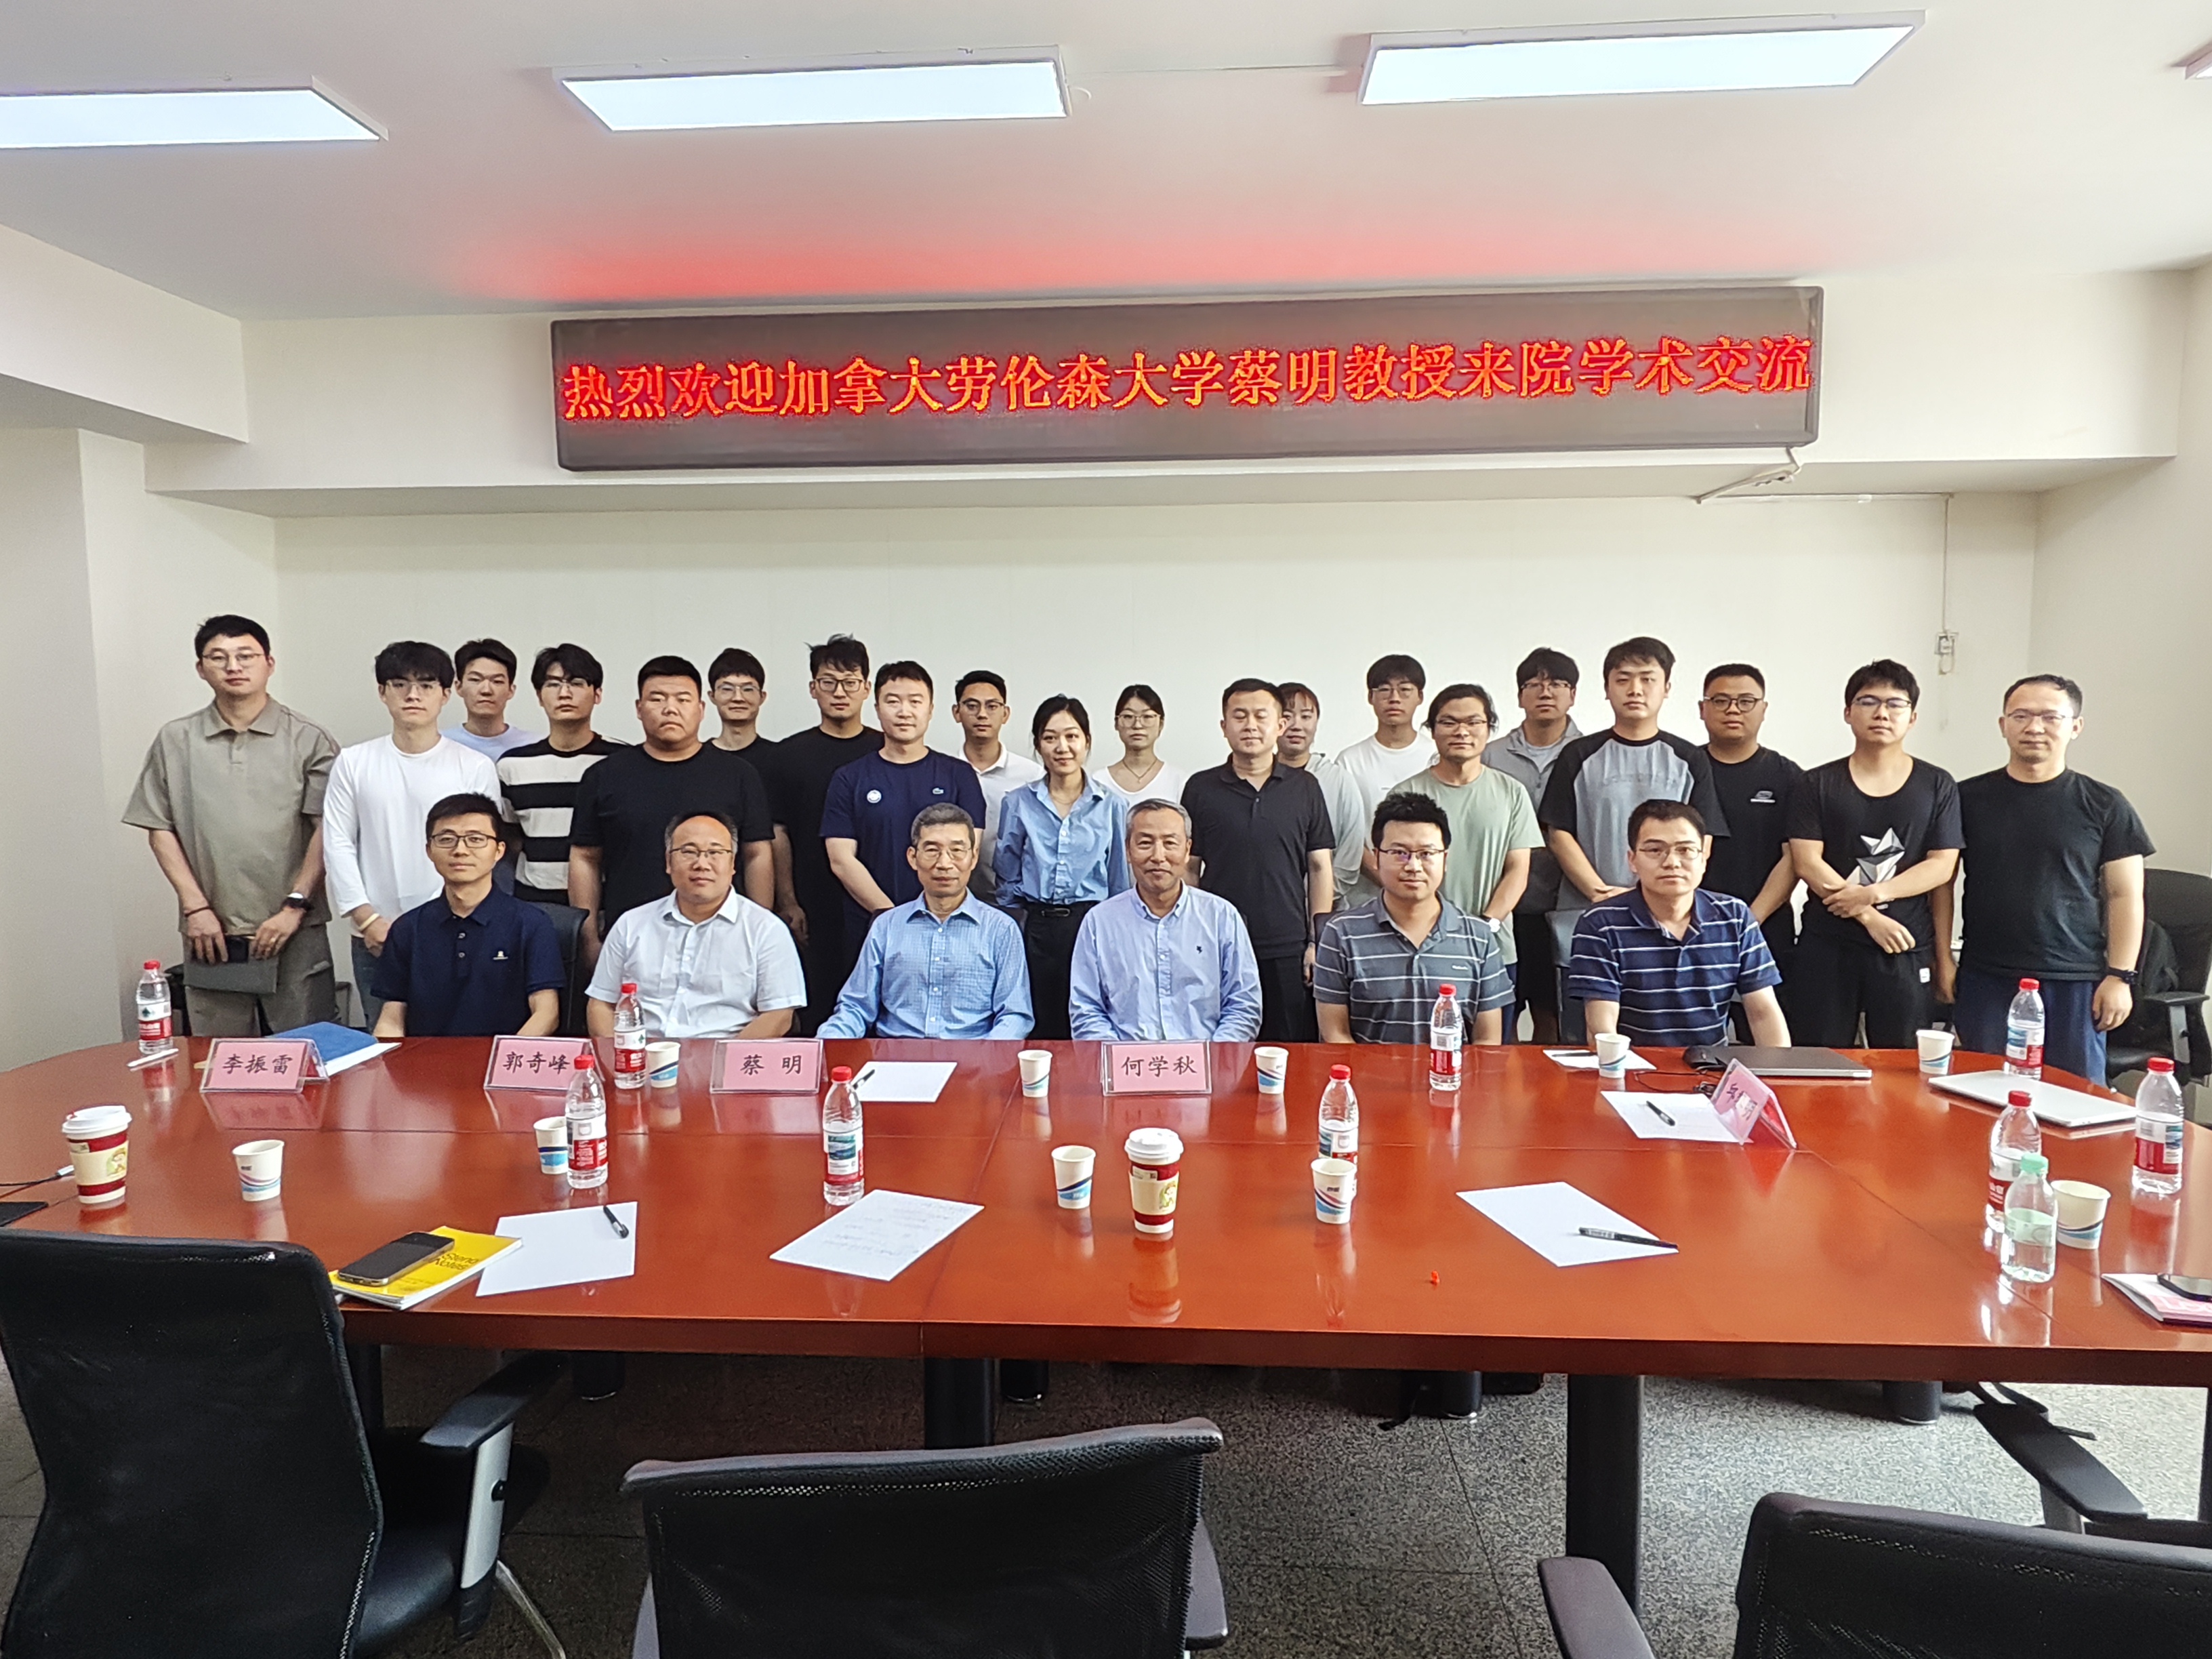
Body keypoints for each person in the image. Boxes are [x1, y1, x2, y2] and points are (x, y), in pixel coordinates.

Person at [124, 614, 341, 1034]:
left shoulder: (309, 738)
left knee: (307, 1048)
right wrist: (196, 908)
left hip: (294, 925)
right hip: (212, 930)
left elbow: (327, 829)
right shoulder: (176, 739)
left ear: (269, 664)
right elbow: (159, 828)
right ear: (201, 668)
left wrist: (295, 906)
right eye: (218, 657)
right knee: (218, 1054)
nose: (233, 667)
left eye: (246, 656)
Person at [1937, 674, 2152, 1082]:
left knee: (2076, 1100)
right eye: (2021, 716)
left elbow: (2125, 894)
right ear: (2003, 725)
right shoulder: (1965, 799)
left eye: (2050, 717)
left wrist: (2120, 976)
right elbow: (1941, 883)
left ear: (2076, 726)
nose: (2034, 727)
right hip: (1986, 976)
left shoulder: (2105, 804)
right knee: (1981, 1097)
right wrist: (1943, 959)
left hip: (2074, 980)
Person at [323, 641, 501, 1029]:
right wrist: (367, 919)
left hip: (456, 929)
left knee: (458, 1040)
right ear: (382, 692)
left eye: (426, 685)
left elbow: (481, 851)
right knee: (385, 1041)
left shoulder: (474, 766)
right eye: (400, 684)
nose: (413, 695)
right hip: (374, 932)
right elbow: (337, 843)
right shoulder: (354, 762)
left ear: (446, 694)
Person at [1785, 660, 1961, 1048]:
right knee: (1817, 1058)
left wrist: (1875, 894)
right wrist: (1868, 915)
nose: (1882, 713)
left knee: (1902, 1062)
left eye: (1895, 704)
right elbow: (1807, 862)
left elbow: (1942, 866)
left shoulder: (1937, 785)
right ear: (1848, 712)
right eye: (1868, 702)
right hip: (1827, 945)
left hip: (1905, 945)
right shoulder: (1815, 783)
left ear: (1912, 718)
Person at [567, 655, 774, 965]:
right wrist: (589, 937)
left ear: (701, 709)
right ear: (639, 708)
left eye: (683, 699)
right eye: (657, 699)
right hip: (631, 940)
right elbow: (585, 858)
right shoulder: (604, 776)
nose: (670, 708)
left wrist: (761, 931)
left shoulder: (738, 775)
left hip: (724, 940)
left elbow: (757, 854)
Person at [1181, 678, 1334, 1042]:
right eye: (1240, 716)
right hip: (1216, 944)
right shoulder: (1201, 788)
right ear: (1224, 727)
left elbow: (1319, 867)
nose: (1250, 725)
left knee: (1289, 1048)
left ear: (1280, 725)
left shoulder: (1305, 787)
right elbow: (1189, 868)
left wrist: (1317, 942)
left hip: (1287, 945)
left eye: (1260, 716)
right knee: (1221, 1048)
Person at [1567, 800, 1788, 1048]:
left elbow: (1763, 1013)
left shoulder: (1734, 916)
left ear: (1703, 858)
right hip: (1635, 1064)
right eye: (1655, 850)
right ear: (1632, 860)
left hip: (1711, 1064)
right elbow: (1601, 1029)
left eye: (1685, 850)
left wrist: (1780, 1070)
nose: (1672, 862)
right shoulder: (1601, 924)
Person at [1540, 636, 1728, 914]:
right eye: (1623, 680)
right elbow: (1559, 834)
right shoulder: (1578, 755)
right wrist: (1601, 893)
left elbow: (1703, 836)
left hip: (1668, 910)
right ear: (1607, 688)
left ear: (1666, 688)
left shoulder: (1689, 759)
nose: (1635, 690)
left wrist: (1657, 894)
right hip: (1590, 908)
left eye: (1647, 679)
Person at [822, 661, 987, 968]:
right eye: (893, 701)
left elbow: (967, 851)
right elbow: (841, 860)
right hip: (872, 923)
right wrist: (892, 918)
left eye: (915, 701)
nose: (904, 711)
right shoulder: (849, 778)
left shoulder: (959, 775)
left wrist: (927, 914)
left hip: (947, 924)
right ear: (877, 708)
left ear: (931, 709)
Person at [586, 811, 806, 1040]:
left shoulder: (766, 930)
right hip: (641, 1053)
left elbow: (779, 1015)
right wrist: (623, 1055)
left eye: (715, 852)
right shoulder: (631, 924)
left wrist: (724, 1058)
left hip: (726, 1053)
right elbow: (601, 1004)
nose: (702, 864)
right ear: (668, 862)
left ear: (732, 863)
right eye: (689, 852)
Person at [1314, 792, 1513, 1046]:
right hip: (1369, 1072)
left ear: (1445, 859)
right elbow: (1335, 1035)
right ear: (1377, 857)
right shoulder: (1341, 934)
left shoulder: (1479, 937)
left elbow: (1487, 1040)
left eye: (1427, 854)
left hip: (1452, 1071)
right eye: (1399, 853)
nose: (1413, 866)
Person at [821, 805, 1032, 1040]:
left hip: (974, 1057)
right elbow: (856, 1008)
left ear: (973, 858)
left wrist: (984, 1057)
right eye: (932, 850)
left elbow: (1015, 1016)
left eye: (956, 851)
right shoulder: (886, 926)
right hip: (896, 1056)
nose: (944, 863)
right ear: (913, 857)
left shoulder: (1001, 929)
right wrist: (824, 1044)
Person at [1386, 684, 1543, 993]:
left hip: (1494, 945)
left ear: (1489, 729)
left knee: (1494, 1026)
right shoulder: (1406, 795)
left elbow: (1518, 870)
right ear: (1432, 730)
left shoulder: (1511, 792)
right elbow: (1394, 869)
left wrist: (1487, 925)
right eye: (1449, 722)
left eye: (1473, 722)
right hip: (1420, 945)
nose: (1461, 731)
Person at [369, 794, 563, 1038]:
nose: (460, 850)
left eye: (475, 839)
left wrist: (506, 1056)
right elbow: (392, 1017)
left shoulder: (531, 924)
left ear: (499, 851)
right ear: (429, 850)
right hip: (427, 1060)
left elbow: (546, 1014)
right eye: (446, 840)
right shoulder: (408, 928)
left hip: (504, 1058)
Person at [993, 695, 1131, 1038]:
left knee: (1090, 1019)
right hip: (1036, 928)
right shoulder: (1018, 802)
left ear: (1087, 741)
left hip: (1092, 925)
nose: (1062, 747)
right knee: (1039, 1021)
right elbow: (1006, 874)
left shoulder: (1112, 805)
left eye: (1072, 736)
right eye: (1050, 737)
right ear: (1038, 744)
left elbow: (1119, 879)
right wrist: (1019, 926)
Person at [761, 634, 880, 1033]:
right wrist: (788, 900)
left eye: (850, 682)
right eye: (829, 682)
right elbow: (777, 832)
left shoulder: (885, 750)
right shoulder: (787, 755)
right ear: (813, 688)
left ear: (866, 688)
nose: (839, 692)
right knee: (816, 1006)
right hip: (811, 900)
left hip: (876, 898)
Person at [1069, 799, 1263, 1042]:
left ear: (1187, 850)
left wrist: (1213, 1057)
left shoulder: (1221, 917)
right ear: (1128, 850)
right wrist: (1120, 1059)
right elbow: (1086, 1010)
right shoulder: (1099, 922)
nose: (1158, 856)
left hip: (1205, 1060)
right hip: (1127, 1060)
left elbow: (1243, 1005)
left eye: (1170, 843)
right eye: (1145, 843)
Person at [1488, 648, 1584, 1042]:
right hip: (1501, 905)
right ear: (1519, 696)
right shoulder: (1491, 754)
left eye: (1557, 683)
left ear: (1573, 694)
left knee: (1554, 1017)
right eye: (1534, 684)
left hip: (1565, 904)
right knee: (1500, 1014)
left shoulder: (1589, 752)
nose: (1546, 692)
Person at [1697, 663, 1805, 994]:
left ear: (1764, 709)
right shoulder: (1684, 768)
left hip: (1765, 927)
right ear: (1702, 709)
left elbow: (1794, 857)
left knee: (1765, 1023)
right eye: (1720, 701)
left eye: (1746, 701)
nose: (1733, 710)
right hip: (1691, 927)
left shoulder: (1789, 777)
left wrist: (1749, 920)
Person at [496, 643, 622, 904]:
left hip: (607, 905)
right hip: (533, 905)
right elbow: (510, 838)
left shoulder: (620, 762)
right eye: (553, 684)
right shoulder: (513, 765)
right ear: (539, 696)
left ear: (597, 694)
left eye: (576, 683)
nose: (564, 693)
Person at [1277, 681, 1374, 914]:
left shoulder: (1338, 779)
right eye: (1287, 716)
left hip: (1329, 910)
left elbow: (1350, 856)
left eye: (1306, 716)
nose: (1296, 726)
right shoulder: (1259, 780)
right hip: (1272, 906)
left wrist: (1318, 897)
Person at [954, 669, 1044, 903]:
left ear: (1006, 714)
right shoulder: (944, 772)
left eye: (992, 706)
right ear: (956, 712)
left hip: (1018, 899)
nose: (982, 714)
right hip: (954, 896)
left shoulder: (1031, 775)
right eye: (972, 706)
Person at [1323, 653, 1433, 821]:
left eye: (1404, 690)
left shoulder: (1435, 755)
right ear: (1370, 697)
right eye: (1384, 690)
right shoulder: (1350, 761)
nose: (1394, 699)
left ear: (1420, 697)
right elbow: (1339, 820)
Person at [446, 638, 537, 760]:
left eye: (497, 681)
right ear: (459, 687)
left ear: (511, 690)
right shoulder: (441, 744)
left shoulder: (533, 746)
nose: (486, 690)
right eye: (475, 680)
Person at [1099, 684, 1187, 805]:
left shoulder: (1179, 781)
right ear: (1116, 724)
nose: (1137, 725)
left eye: (1147, 716)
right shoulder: (1098, 781)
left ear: (1161, 724)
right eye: (1128, 716)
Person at [707, 647, 777, 760]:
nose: (738, 698)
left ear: (762, 697)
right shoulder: (697, 760)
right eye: (727, 689)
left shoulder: (779, 757)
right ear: (712, 696)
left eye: (748, 689)